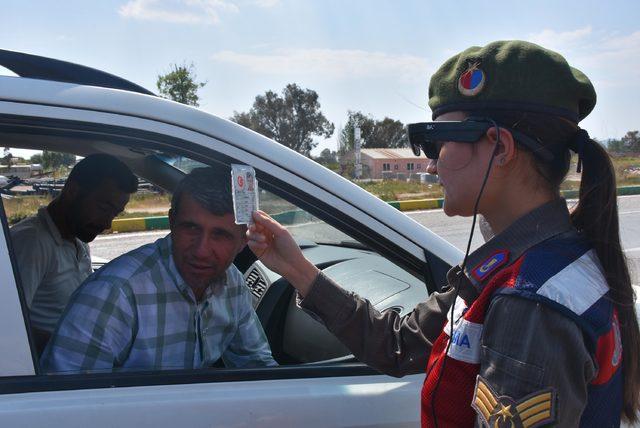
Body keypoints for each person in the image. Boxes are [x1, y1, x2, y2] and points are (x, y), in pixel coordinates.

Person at [246, 41, 640, 427]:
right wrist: (296, 268)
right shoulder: (527, 266)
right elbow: (398, 344)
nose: (431, 166)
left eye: (436, 143)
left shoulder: (530, 300)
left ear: (499, 148)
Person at [42, 167, 275, 373]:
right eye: (191, 228)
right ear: (172, 222)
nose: (202, 251)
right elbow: (62, 406)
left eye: (220, 235)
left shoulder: (231, 283)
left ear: (244, 240)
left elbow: (255, 363)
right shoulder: (114, 295)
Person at [10, 153, 138, 351]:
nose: (107, 223)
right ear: (72, 191)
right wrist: (74, 347)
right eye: (104, 207)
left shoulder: (77, 236)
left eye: (114, 213)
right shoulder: (31, 243)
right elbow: (10, 326)